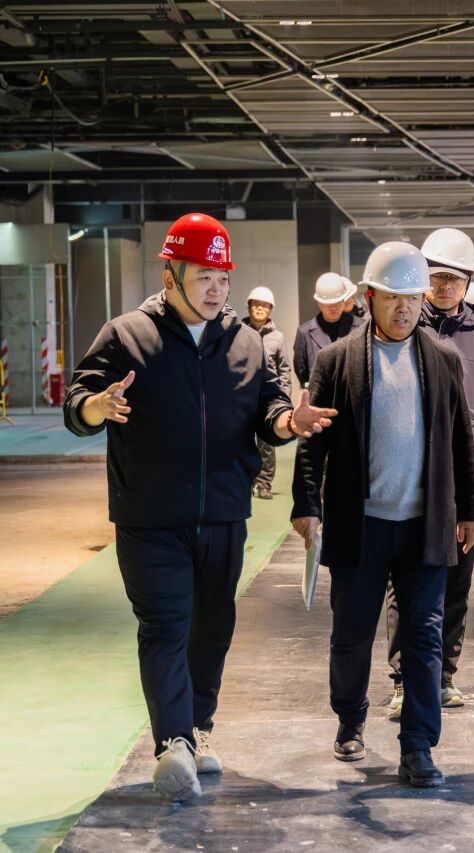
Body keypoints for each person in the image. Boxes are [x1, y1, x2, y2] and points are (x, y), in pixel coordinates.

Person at [64, 213, 336, 802]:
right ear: (171, 276)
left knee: (212, 629)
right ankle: (173, 744)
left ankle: (199, 727)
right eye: (204, 277)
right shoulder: (125, 335)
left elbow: (269, 410)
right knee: (165, 626)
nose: (216, 289)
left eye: (222, 278)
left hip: (222, 515)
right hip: (149, 516)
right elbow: (77, 400)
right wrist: (96, 408)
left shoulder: (244, 342)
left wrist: (290, 422)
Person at [291, 241, 474, 788]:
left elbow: (461, 439)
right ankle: (350, 719)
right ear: (369, 298)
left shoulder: (443, 358)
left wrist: (470, 507)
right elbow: (313, 441)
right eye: (394, 297)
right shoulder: (336, 361)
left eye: (413, 298)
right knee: (352, 633)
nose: (405, 308)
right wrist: (306, 504)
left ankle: (418, 746)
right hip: (362, 524)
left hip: (424, 525)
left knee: (424, 638)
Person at [385, 227, 474, 717]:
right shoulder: (400, 327)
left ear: (468, 282)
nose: (445, 287)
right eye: (437, 277)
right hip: (408, 474)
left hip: (468, 478)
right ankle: (405, 680)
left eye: (454, 279)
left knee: (457, 583)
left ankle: (442, 676)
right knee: (405, 580)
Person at [244, 285, 291, 500]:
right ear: (249, 307)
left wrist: (284, 400)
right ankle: (247, 482)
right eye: (257, 305)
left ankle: (264, 484)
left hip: (267, 399)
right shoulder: (238, 332)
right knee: (243, 442)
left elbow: (284, 370)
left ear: (270, 309)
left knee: (267, 444)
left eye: (265, 306)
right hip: (243, 397)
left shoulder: (278, 338)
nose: (260, 309)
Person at [294, 272, 366, 387]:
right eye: (328, 304)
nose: (333, 308)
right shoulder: (304, 332)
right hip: (320, 394)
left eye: (337, 302)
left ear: (344, 300)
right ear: (319, 303)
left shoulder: (362, 327)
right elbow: (302, 371)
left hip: (351, 394)